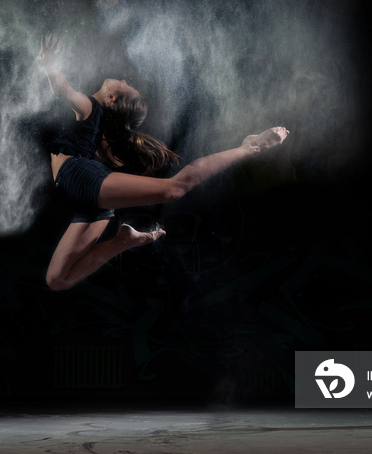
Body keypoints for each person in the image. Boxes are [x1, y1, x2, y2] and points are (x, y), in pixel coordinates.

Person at [36, 35, 289, 291]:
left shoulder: (90, 106)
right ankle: (122, 242)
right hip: (83, 195)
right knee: (57, 280)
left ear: (111, 97)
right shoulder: (100, 128)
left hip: (79, 179)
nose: (124, 79)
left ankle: (250, 148)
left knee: (174, 189)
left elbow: (62, 91)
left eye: (125, 85)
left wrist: (49, 65)